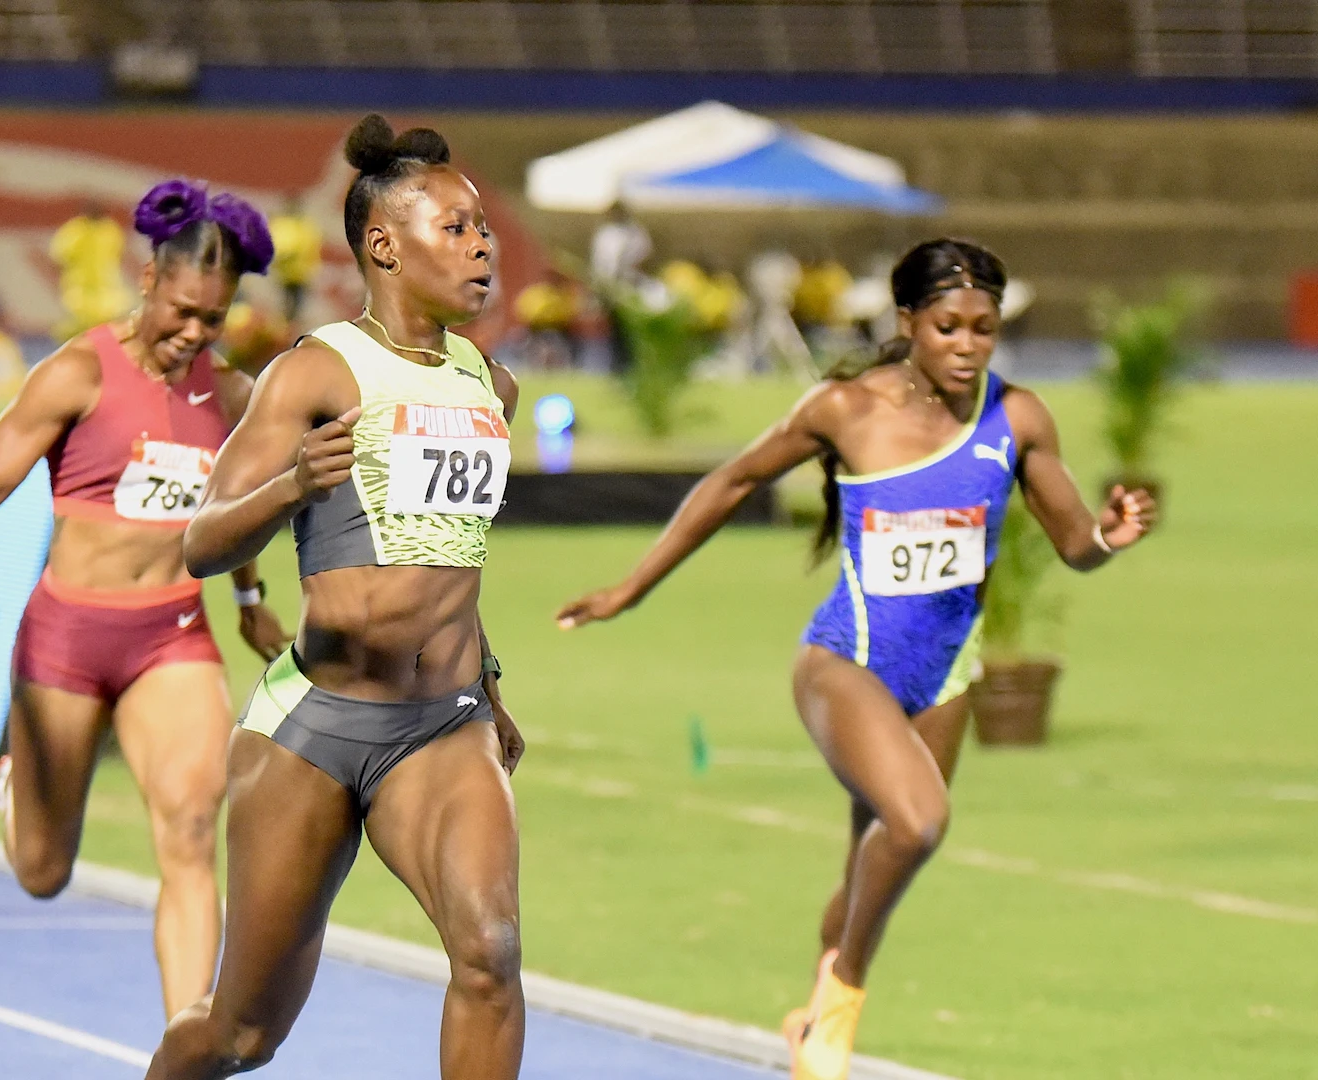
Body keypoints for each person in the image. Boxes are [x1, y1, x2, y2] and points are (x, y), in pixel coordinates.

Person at [557, 239, 1157, 1080]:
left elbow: (1073, 540)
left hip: (945, 679)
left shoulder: (1017, 419)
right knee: (918, 821)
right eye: (949, 326)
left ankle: (814, 1014)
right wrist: (633, 586)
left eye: (985, 329)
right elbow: (731, 482)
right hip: (845, 663)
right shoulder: (845, 408)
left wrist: (1109, 537)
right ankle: (840, 1003)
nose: (968, 345)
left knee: (875, 859)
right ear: (907, 321)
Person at [146, 114, 526, 1080]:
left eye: (484, 227)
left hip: (444, 724)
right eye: (456, 228)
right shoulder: (315, 372)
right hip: (316, 726)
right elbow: (200, 542)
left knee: (489, 957)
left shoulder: (494, 387)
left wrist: (487, 680)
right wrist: (290, 489)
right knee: (242, 1035)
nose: (483, 245)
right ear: (384, 244)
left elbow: (454, 557)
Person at [0, 179, 289, 1020]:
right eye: (181, 311)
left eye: (212, 319)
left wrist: (248, 599)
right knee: (42, 871)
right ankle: (15, 779)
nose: (193, 333)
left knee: (188, 830)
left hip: (171, 634)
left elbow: (234, 514)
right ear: (148, 282)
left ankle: (187, 1041)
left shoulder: (234, 398)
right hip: (66, 636)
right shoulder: (75, 374)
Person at [50, 199, 130, 341]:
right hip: (80, 292)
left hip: (106, 292)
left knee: (111, 335)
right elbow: (59, 259)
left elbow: (118, 256)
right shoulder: (74, 230)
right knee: (74, 336)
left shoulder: (110, 230)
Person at [588, 200, 653, 374]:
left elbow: (642, 259)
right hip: (609, 289)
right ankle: (613, 367)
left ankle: (631, 367)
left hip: (628, 287)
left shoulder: (635, 233)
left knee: (629, 330)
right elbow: (600, 264)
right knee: (611, 329)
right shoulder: (605, 234)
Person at [266, 194, 322, 326]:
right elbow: (282, 247)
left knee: (296, 305)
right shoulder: (287, 224)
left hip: (300, 272)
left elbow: (311, 246)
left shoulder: (303, 225)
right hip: (288, 272)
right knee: (289, 303)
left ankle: (289, 326)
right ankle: (286, 326)